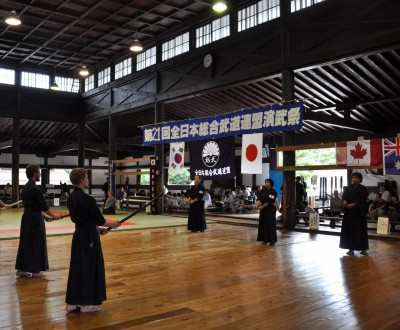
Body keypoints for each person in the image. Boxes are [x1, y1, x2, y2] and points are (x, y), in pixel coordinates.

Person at [65, 168, 120, 313]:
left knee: (77, 267)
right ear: (82, 180)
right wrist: (111, 225)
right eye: (87, 177)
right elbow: (100, 219)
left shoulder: (71, 198)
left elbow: (85, 221)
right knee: (89, 268)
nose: (88, 180)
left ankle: (72, 302)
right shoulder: (87, 199)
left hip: (79, 235)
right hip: (89, 238)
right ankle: (86, 304)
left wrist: (99, 229)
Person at [15, 165, 61, 278]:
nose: (40, 174)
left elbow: (34, 206)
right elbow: (44, 207)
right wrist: (54, 216)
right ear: (34, 174)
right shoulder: (35, 189)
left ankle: (21, 269)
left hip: (27, 218)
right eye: (39, 172)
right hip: (34, 220)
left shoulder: (25, 187)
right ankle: (35, 270)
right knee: (36, 243)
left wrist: (45, 217)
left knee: (25, 244)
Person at [339, 172, 369, 256]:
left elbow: (362, 199)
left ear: (360, 179)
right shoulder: (348, 188)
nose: (354, 179)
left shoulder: (363, 189)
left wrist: (354, 204)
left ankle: (363, 249)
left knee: (360, 230)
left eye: (356, 178)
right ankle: (351, 249)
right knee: (350, 230)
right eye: (353, 178)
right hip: (349, 213)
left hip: (359, 213)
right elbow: (344, 197)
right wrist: (345, 203)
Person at [256, 178, 278, 246]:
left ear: (271, 183)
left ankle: (272, 240)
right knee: (263, 223)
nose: (266, 183)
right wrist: (257, 204)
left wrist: (262, 206)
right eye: (265, 182)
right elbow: (260, 197)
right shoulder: (263, 190)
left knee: (270, 224)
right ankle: (264, 240)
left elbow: (269, 200)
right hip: (263, 209)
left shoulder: (273, 191)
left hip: (270, 209)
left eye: (267, 182)